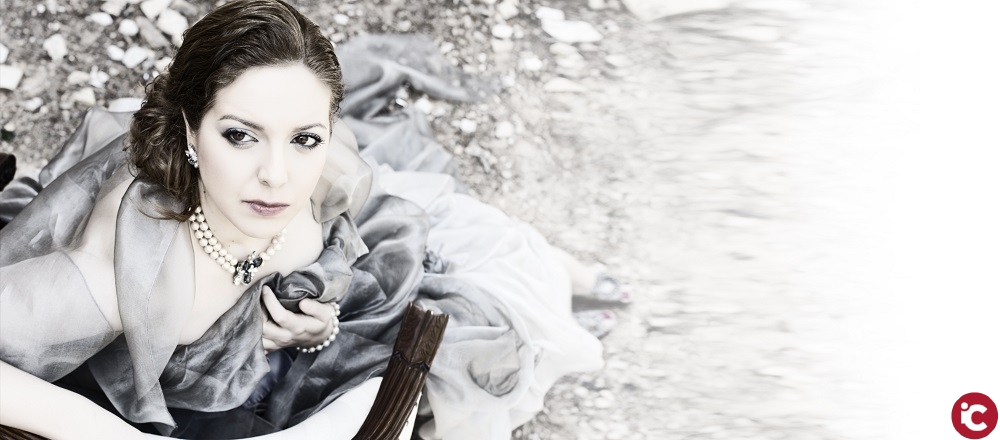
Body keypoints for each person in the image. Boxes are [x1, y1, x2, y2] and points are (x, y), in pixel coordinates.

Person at [0, 0, 627, 439]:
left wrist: (318, 329)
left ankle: (556, 272)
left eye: (305, 138)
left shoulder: (313, 172)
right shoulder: (119, 268)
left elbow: (339, 231)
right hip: (222, 406)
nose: (278, 176)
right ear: (190, 130)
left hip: (318, 337)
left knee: (482, 288)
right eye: (240, 135)